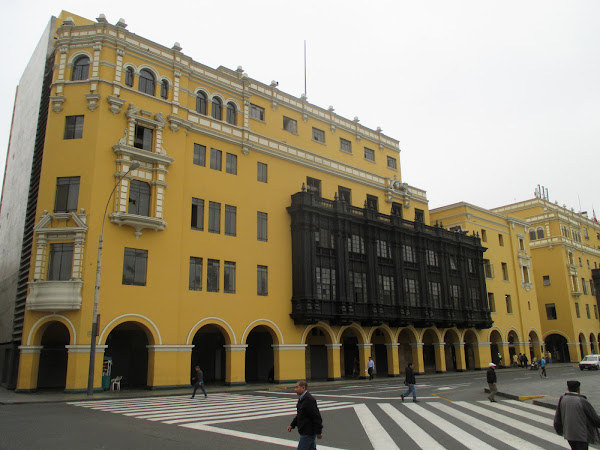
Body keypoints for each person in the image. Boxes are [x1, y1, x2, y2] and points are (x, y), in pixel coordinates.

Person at [554, 380, 600, 450]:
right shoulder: (582, 400)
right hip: (581, 435)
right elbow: (594, 417)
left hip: (569, 434)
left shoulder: (563, 399)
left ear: (568, 389)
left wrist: (559, 430)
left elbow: (558, 417)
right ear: (579, 389)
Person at [287, 380, 323, 450]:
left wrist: (319, 432)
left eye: (297, 387)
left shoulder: (309, 400)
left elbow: (316, 416)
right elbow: (300, 414)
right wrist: (292, 425)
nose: (295, 389)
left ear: (303, 388)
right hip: (305, 430)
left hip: (308, 432)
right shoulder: (302, 398)